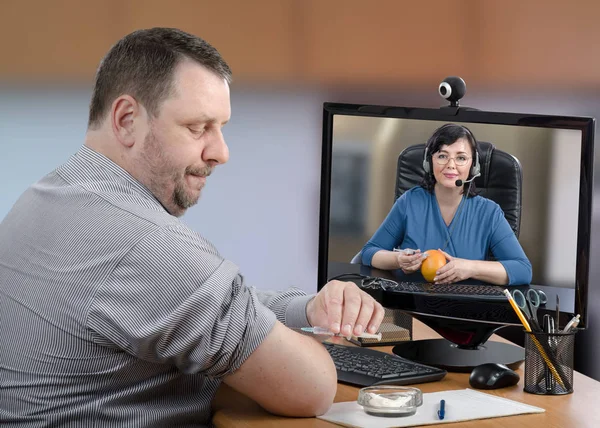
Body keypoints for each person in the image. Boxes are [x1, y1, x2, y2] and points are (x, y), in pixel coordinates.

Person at [0, 28, 385, 426]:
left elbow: (214, 306)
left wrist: (306, 309)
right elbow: (312, 388)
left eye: (222, 127)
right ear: (127, 120)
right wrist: (309, 341)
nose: (221, 152)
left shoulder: (44, 198)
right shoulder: (145, 244)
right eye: (198, 128)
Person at [360, 123, 532, 286]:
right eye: (442, 156)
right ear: (429, 162)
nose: (451, 165)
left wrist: (471, 268)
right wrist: (397, 260)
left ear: (474, 166)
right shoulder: (410, 202)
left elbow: (523, 270)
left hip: (464, 309)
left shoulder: (489, 212)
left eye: (461, 158)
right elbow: (369, 252)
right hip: (409, 307)